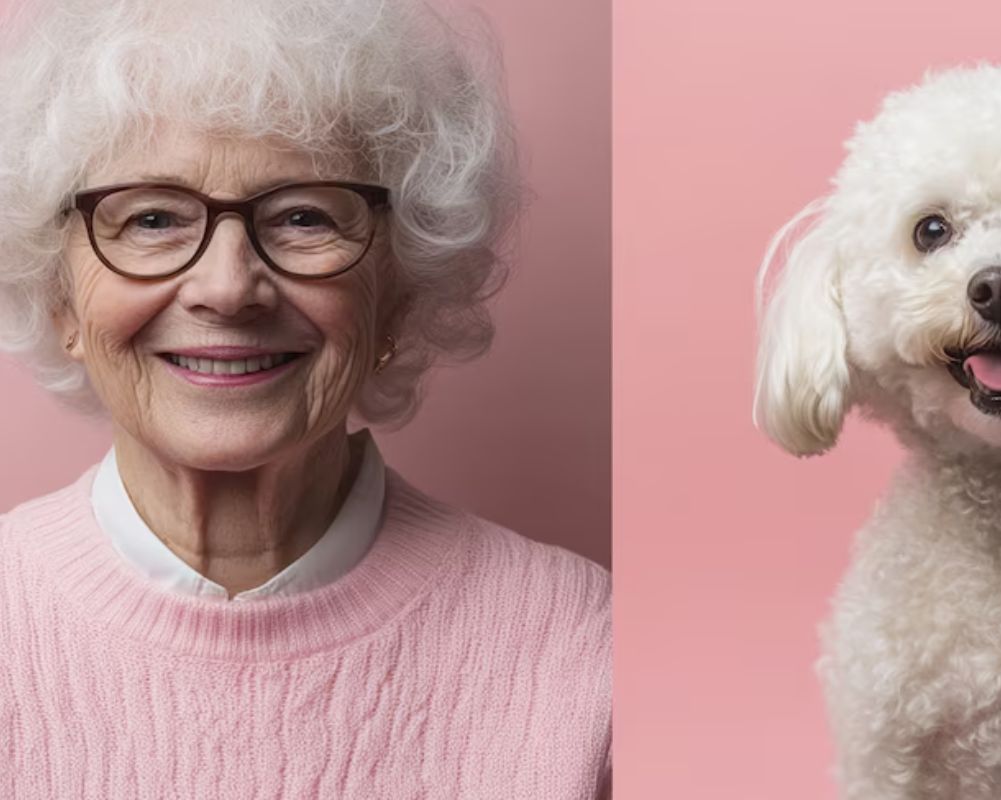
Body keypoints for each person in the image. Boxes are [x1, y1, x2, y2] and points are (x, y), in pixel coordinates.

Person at [0, 0, 611, 797]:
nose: (227, 288)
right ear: (59, 295)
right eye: (151, 217)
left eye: (302, 217)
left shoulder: (587, 653)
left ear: (398, 291)